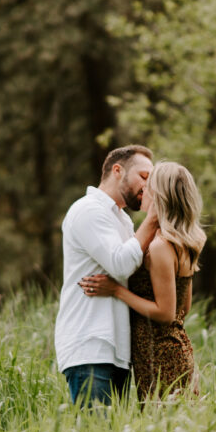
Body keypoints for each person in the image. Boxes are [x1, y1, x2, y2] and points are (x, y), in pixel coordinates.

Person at [80, 161, 206, 400]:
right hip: (174, 349)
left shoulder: (159, 247)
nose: (143, 190)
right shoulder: (182, 242)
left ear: (159, 195)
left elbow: (167, 313)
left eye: (149, 185)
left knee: (164, 425)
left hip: (159, 355)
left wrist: (117, 291)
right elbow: (184, 308)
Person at [55, 145, 158, 407]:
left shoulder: (121, 220)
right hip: (90, 345)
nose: (147, 187)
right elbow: (121, 264)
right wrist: (153, 219)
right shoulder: (89, 210)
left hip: (116, 349)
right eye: (144, 177)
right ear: (117, 170)